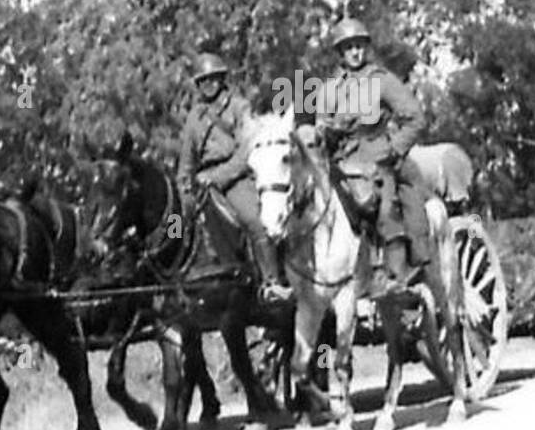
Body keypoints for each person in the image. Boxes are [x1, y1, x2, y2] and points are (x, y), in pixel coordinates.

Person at [315, 19, 430, 287]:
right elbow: (321, 123)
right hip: (340, 160)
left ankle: (395, 275)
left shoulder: (382, 81)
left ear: (366, 48)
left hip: (377, 156)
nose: (354, 53)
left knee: (386, 207)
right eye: (348, 48)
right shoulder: (329, 88)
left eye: (358, 46)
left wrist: (395, 148)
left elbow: (415, 118)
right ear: (340, 53)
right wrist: (324, 132)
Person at [177, 53, 291, 302]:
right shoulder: (194, 117)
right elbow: (186, 159)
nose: (208, 85)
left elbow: (246, 151)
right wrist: (183, 186)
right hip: (202, 180)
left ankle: (272, 282)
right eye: (203, 81)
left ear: (221, 79)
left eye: (213, 79)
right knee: (175, 221)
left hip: (235, 178)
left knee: (255, 219)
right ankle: (174, 276)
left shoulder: (239, 107)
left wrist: (218, 177)